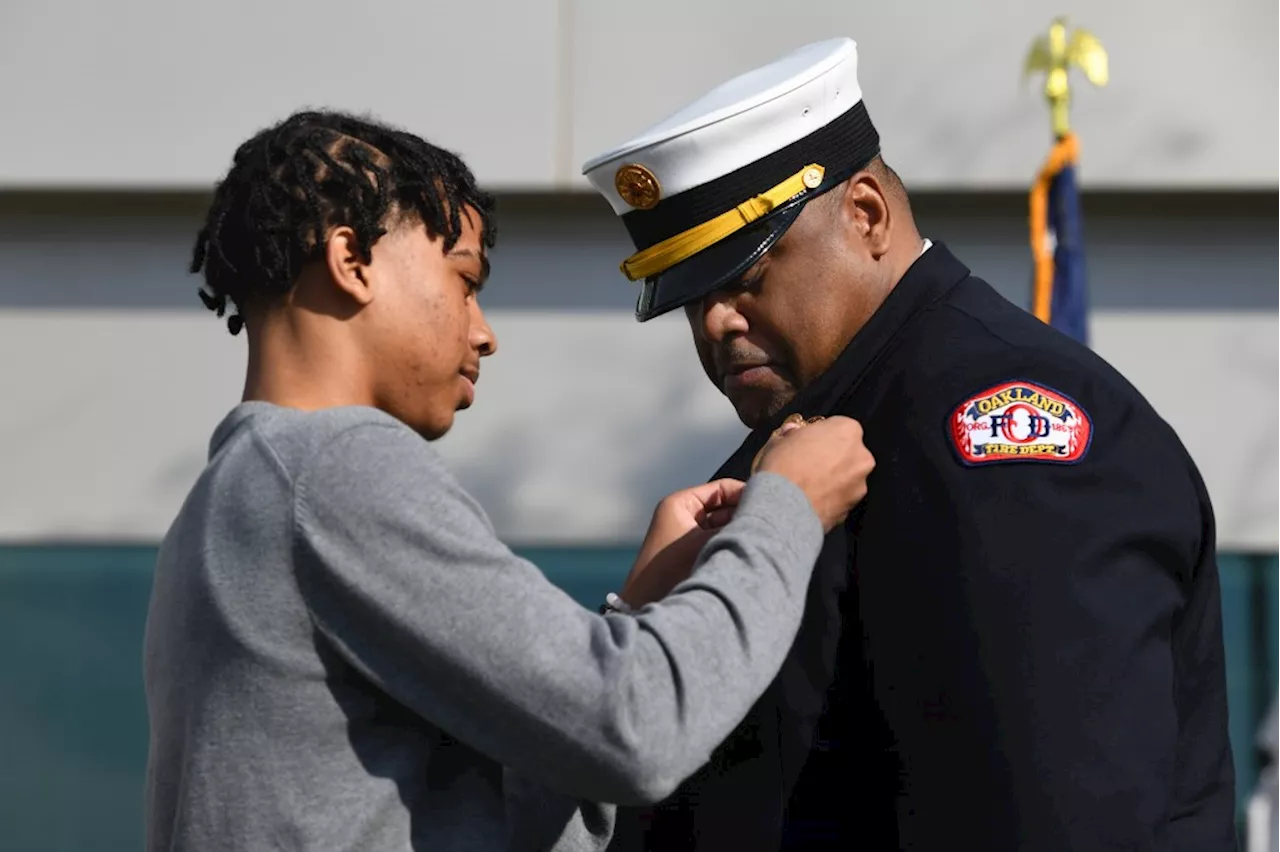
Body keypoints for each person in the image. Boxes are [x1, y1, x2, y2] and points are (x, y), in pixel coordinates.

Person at [141, 109, 878, 852]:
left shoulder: (228, 498)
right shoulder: (335, 466)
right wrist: (786, 506)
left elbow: (492, 812)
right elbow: (637, 729)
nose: (484, 331)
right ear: (351, 260)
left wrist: (641, 608)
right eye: (465, 281)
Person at [582, 37, 1238, 851]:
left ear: (866, 216)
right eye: (690, 297)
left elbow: (1050, 818)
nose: (716, 321)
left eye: (745, 276)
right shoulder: (813, 438)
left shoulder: (1000, 433)